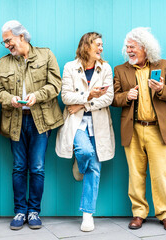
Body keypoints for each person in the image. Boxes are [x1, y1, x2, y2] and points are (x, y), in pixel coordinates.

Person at [0, 20, 63, 230]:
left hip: (40, 120)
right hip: (15, 120)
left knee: (38, 167)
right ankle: (19, 211)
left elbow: (56, 85)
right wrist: (10, 99)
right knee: (18, 167)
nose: (6, 45)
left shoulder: (46, 55)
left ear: (21, 36)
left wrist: (37, 95)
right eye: (4, 42)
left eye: (9, 40)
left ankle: (33, 212)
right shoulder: (2, 63)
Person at [112, 27, 166, 232]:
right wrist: (126, 97)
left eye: (132, 47)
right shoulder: (120, 69)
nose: (128, 50)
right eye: (127, 47)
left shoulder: (164, 65)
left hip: (158, 130)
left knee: (161, 174)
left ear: (145, 48)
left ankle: (165, 215)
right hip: (133, 129)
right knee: (136, 175)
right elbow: (114, 98)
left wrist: (161, 90)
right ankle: (138, 213)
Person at [55, 32, 115, 232]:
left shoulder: (105, 68)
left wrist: (82, 104)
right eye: (98, 44)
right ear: (87, 46)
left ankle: (87, 214)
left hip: (98, 124)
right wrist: (88, 95)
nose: (101, 48)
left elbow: (108, 98)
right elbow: (65, 97)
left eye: (102, 45)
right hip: (76, 124)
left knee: (95, 168)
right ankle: (79, 163)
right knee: (85, 152)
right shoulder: (70, 67)